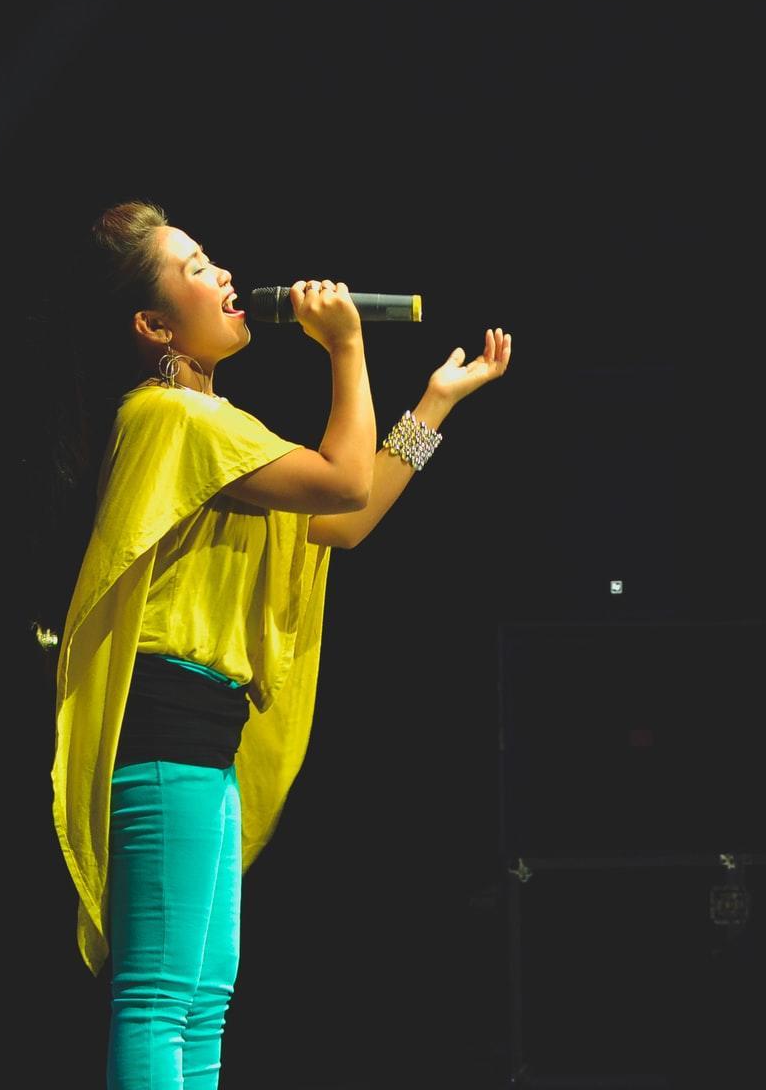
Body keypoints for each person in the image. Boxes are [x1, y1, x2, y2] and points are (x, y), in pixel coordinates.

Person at [47, 199, 512, 1089]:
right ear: (152, 324)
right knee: (157, 997)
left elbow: (347, 518)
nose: (224, 276)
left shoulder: (222, 429)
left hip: (204, 734)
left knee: (203, 1000)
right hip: (164, 729)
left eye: (212, 258)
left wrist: (433, 405)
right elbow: (342, 481)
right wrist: (344, 347)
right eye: (194, 269)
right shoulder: (171, 420)